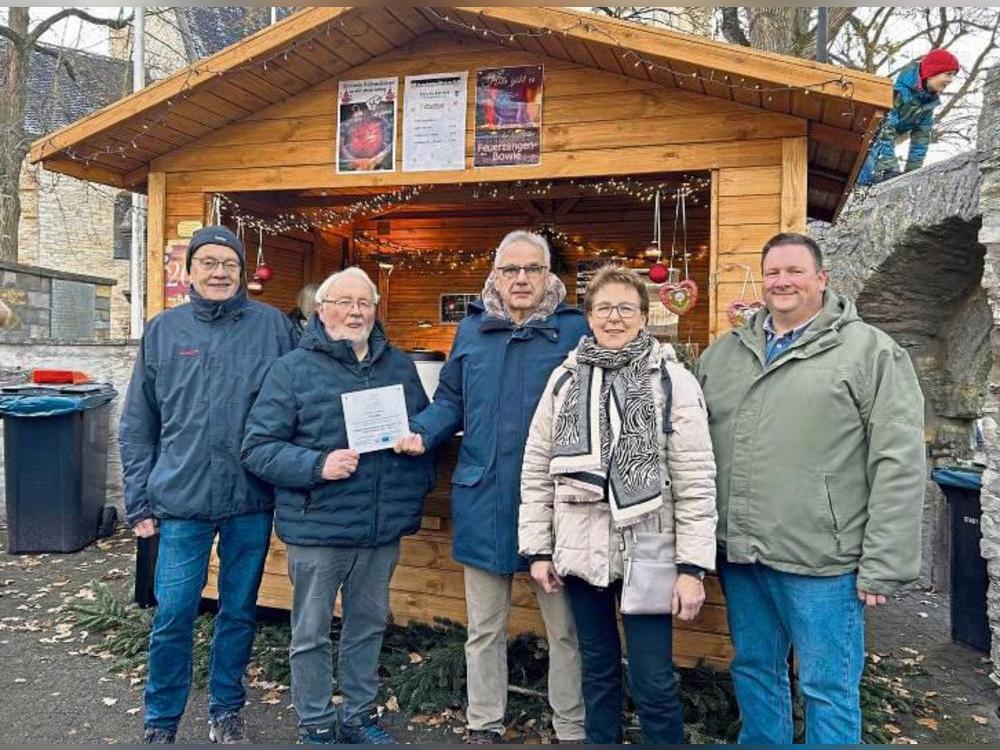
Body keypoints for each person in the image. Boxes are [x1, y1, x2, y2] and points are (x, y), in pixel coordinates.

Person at [695, 232, 926, 744]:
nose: (782, 281)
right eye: (773, 272)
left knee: (827, 687)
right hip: (741, 554)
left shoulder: (870, 353)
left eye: (795, 271)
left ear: (821, 279)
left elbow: (899, 462)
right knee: (755, 670)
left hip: (823, 561)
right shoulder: (725, 355)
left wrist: (885, 562)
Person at [395, 230, 587, 744]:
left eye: (532, 269)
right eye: (510, 269)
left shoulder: (575, 331)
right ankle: (484, 722)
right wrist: (422, 431)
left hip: (554, 506)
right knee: (483, 629)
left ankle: (571, 726)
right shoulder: (472, 330)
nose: (521, 279)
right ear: (495, 276)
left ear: (548, 275)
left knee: (566, 631)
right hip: (483, 496)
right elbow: (450, 400)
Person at [519, 265, 717, 744]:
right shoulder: (564, 380)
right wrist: (538, 549)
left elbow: (695, 478)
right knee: (597, 672)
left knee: (653, 681)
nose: (614, 317)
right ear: (588, 317)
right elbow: (537, 468)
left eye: (626, 308)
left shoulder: (672, 382)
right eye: (604, 308)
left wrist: (692, 567)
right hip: (580, 549)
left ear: (644, 316)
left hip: (648, 549)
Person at [118, 225, 297, 744]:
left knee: (238, 611)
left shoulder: (273, 328)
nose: (220, 273)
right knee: (173, 612)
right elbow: (137, 424)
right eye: (209, 263)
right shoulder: (163, 331)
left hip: (250, 498)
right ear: (189, 270)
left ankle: (226, 709)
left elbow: (306, 392)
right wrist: (139, 501)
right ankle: (161, 720)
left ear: (242, 272)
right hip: (181, 500)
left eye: (229, 264)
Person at [242, 268, 435, 745]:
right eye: (344, 302)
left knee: (366, 628)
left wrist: (417, 441)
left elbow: (423, 425)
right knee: (310, 633)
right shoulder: (291, 370)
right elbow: (258, 448)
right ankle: (315, 722)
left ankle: (358, 716)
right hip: (318, 527)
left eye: (364, 303)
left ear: (375, 310)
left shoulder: (398, 366)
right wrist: (317, 465)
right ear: (321, 310)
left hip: (378, 528)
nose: (355, 312)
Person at [857, 48, 960, 186]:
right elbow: (884, 131)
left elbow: (920, 142)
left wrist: (912, 176)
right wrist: (890, 169)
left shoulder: (927, 105)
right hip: (866, 138)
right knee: (873, 148)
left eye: (953, 75)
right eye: (948, 74)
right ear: (932, 73)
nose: (951, 80)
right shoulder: (898, 92)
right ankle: (860, 190)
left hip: (884, 144)